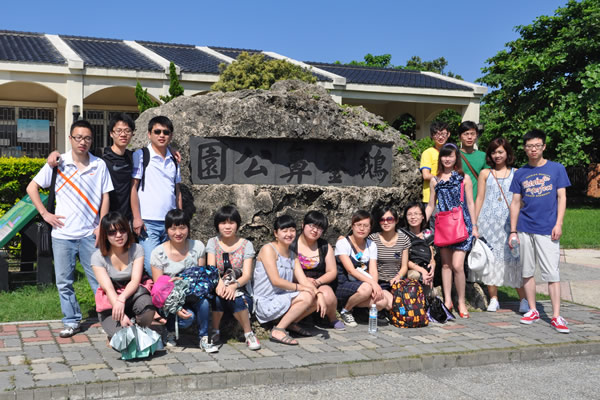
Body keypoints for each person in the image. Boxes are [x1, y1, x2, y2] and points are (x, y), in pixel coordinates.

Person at [26, 120, 113, 338]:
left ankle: (109, 319)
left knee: (99, 280)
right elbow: (32, 187)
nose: (83, 142)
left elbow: (105, 196)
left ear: (92, 140)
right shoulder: (59, 163)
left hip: (90, 234)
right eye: (78, 137)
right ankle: (72, 321)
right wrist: (45, 214)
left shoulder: (99, 165)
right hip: (62, 235)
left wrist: (101, 225)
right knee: (64, 282)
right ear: (70, 139)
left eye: (87, 138)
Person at [46, 113, 180, 221]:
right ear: (111, 133)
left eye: (127, 131)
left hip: (125, 220)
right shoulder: (99, 155)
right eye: (119, 131)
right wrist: (55, 153)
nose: (123, 134)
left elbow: (155, 147)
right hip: (102, 219)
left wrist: (169, 149)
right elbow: (77, 154)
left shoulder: (134, 157)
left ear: (132, 134)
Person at [509, 129, 571, 333]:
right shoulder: (520, 173)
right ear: (525, 148)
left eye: (537, 146)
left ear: (543, 146)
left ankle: (556, 315)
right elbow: (515, 203)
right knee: (527, 271)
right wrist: (513, 231)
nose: (533, 149)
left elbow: (562, 197)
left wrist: (559, 223)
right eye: (529, 146)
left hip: (547, 228)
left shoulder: (557, 169)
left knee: (552, 273)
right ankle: (533, 309)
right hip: (525, 228)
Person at [150, 209, 218, 352]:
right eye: (173, 228)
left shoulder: (197, 246)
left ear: (188, 227)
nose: (178, 233)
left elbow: (201, 277)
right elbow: (159, 289)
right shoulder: (158, 253)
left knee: (204, 302)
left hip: (192, 294)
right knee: (188, 318)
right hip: (169, 298)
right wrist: (176, 305)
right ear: (166, 230)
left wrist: (186, 280)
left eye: (182, 227)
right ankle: (169, 330)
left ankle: (204, 338)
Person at [474, 138, 527, 312]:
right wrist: (475, 223)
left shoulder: (516, 173)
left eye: (500, 152)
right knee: (491, 260)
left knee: (515, 260)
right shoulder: (485, 173)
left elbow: (521, 200)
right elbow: (480, 198)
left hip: (509, 224)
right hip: (488, 223)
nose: (497, 155)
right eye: (493, 152)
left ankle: (523, 299)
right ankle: (494, 298)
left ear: (507, 153)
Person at [253, 215, 324, 345]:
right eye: (284, 231)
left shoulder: (293, 255)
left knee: (314, 297)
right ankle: (278, 330)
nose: (289, 234)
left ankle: (290, 323)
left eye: (292, 230)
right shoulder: (268, 249)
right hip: (266, 300)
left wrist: (319, 294)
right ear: (276, 233)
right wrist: (301, 288)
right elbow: (276, 281)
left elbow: (304, 281)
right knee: (307, 295)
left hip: (282, 298)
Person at [425, 143, 475, 318]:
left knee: (457, 265)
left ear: (456, 158)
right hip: (444, 225)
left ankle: (461, 301)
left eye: (451, 155)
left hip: (462, 224)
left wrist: (475, 226)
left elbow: (470, 203)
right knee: (445, 265)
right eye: (444, 156)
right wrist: (421, 223)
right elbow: (431, 205)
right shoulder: (435, 180)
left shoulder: (463, 178)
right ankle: (448, 301)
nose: (447, 159)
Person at [91, 212, 155, 341]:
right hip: (111, 303)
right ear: (105, 235)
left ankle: (139, 330)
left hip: (133, 296)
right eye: (112, 232)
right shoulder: (97, 257)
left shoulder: (137, 249)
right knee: (123, 339)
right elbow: (108, 288)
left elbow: (135, 280)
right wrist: (121, 315)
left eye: (122, 230)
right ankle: (118, 333)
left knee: (148, 308)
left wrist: (122, 299)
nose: (119, 235)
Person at [131, 116, 183, 275]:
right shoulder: (141, 155)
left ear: (171, 136)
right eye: (157, 131)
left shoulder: (174, 159)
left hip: (170, 222)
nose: (161, 135)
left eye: (166, 132)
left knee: (171, 263)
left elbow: (177, 190)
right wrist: (137, 218)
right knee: (151, 265)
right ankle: (158, 289)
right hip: (148, 222)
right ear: (149, 134)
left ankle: (167, 290)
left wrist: (180, 218)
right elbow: (133, 188)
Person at [206, 205, 260, 350]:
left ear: (237, 224)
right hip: (218, 286)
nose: (227, 226)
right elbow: (211, 269)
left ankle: (248, 333)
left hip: (241, 287)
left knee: (238, 299)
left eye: (231, 222)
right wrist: (219, 284)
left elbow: (247, 275)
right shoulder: (213, 242)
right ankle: (215, 331)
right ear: (217, 225)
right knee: (217, 298)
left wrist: (234, 286)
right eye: (223, 223)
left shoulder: (246, 245)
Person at [290, 211, 345, 330]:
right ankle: (292, 321)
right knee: (307, 295)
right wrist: (303, 281)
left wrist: (317, 282)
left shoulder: (325, 246)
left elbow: (332, 271)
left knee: (328, 294)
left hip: (318, 281)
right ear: (303, 225)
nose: (315, 230)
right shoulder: (291, 244)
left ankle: (332, 318)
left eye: (319, 228)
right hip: (296, 282)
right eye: (312, 226)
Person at [335, 210, 386, 327]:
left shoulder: (371, 245)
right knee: (366, 289)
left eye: (366, 226)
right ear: (352, 226)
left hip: (363, 283)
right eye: (358, 225)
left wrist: (375, 286)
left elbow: (373, 270)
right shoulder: (343, 243)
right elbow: (350, 270)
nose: (362, 228)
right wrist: (372, 284)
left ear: (370, 228)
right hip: (343, 284)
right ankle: (345, 310)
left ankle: (357, 310)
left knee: (382, 302)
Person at [368, 207, 410, 314]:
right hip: (379, 282)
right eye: (382, 220)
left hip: (396, 281)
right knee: (392, 304)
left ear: (396, 220)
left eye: (389, 219)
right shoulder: (373, 239)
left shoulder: (404, 239)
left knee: (403, 307)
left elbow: (404, 266)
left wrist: (398, 277)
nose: (386, 222)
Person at [401, 202, 436, 288]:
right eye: (409, 214)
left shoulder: (427, 234)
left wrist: (432, 267)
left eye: (416, 214)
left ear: (423, 216)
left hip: (425, 271)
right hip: (409, 271)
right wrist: (422, 271)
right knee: (415, 275)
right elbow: (402, 260)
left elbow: (431, 257)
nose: (413, 217)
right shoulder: (401, 234)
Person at [420, 121, 450, 204]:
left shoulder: (452, 152)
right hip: (432, 199)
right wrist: (445, 179)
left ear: (448, 134)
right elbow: (426, 175)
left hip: (449, 199)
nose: (440, 137)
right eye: (437, 134)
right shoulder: (427, 153)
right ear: (432, 136)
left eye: (443, 134)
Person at [458, 121, 489, 200]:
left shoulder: (483, 156)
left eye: (472, 134)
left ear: (476, 136)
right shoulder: (453, 156)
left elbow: (489, 179)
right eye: (466, 134)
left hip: (478, 200)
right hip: (458, 201)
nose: (469, 137)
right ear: (459, 137)